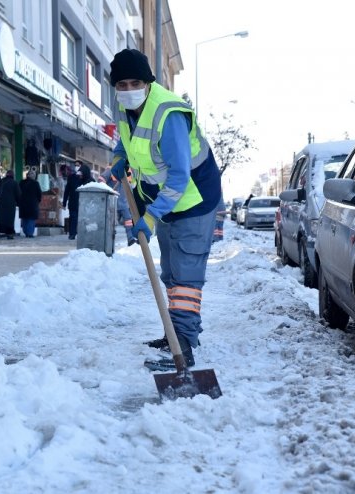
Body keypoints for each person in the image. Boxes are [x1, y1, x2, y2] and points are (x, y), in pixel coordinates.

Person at [109, 48, 223, 367]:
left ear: (148, 82)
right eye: (122, 84)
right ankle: (174, 334)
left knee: (185, 275)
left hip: (193, 199)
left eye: (135, 82)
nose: (129, 89)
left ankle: (182, 347)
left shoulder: (168, 113)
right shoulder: (124, 108)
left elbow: (179, 174)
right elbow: (127, 139)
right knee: (171, 272)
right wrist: (120, 157)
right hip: (164, 199)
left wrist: (150, 214)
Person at [100, 165, 136, 246]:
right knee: (110, 223)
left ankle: (130, 239)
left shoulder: (129, 170)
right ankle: (107, 242)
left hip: (124, 202)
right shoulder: (111, 169)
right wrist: (104, 191)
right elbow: (101, 179)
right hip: (112, 202)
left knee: (128, 221)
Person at [62, 159, 93, 240]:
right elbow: (67, 191)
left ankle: (83, 234)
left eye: (78, 165)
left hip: (84, 204)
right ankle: (72, 234)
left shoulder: (89, 179)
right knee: (73, 218)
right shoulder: (71, 178)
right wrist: (64, 203)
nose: (76, 167)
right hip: (73, 203)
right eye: (75, 165)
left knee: (84, 219)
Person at [0, 169, 21, 239]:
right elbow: (18, 195)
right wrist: (19, 203)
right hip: (10, 205)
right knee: (9, 220)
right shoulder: (14, 183)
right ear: (13, 176)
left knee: (0, 218)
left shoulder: (1, 181)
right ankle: (9, 234)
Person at [19, 169, 42, 237]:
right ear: (29, 175)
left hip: (23, 204)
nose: (34, 176)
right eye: (33, 174)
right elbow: (39, 194)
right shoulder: (35, 183)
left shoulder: (21, 183)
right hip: (33, 204)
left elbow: (18, 192)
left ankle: (26, 232)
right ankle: (29, 233)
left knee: (25, 218)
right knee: (31, 219)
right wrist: (38, 201)